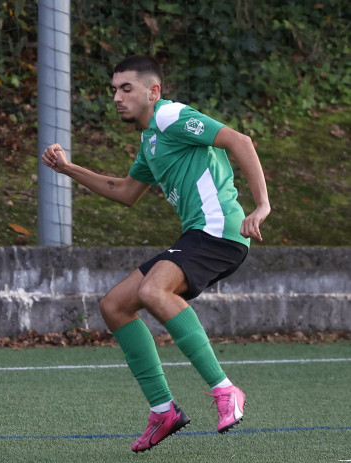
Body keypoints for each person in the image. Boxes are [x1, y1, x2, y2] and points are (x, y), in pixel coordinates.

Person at [42, 55, 270, 453]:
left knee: (153, 291)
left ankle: (225, 389)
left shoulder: (170, 116)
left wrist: (262, 206)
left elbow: (240, 141)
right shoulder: (151, 139)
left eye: (126, 88)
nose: (117, 97)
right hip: (198, 235)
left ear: (154, 91)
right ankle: (163, 410)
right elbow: (125, 192)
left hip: (219, 232)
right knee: (114, 305)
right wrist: (68, 169)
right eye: (114, 89)